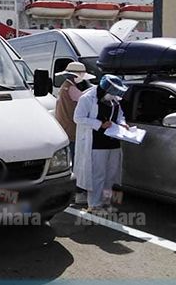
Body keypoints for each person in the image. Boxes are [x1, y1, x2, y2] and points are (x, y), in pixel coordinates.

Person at [73, 74, 129, 213]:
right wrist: (99, 124)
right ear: (104, 89)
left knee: (110, 174)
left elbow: (120, 114)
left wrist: (123, 124)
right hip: (97, 143)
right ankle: (94, 204)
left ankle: (106, 201)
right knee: (98, 175)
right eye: (112, 92)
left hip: (113, 141)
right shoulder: (87, 98)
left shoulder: (115, 100)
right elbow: (78, 117)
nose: (114, 95)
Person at [54, 62, 94, 205]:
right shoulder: (72, 89)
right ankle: (76, 193)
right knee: (77, 163)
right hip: (72, 130)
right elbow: (86, 99)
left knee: (71, 163)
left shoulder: (64, 87)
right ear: (76, 76)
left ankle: (70, 193)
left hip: (64, 128)